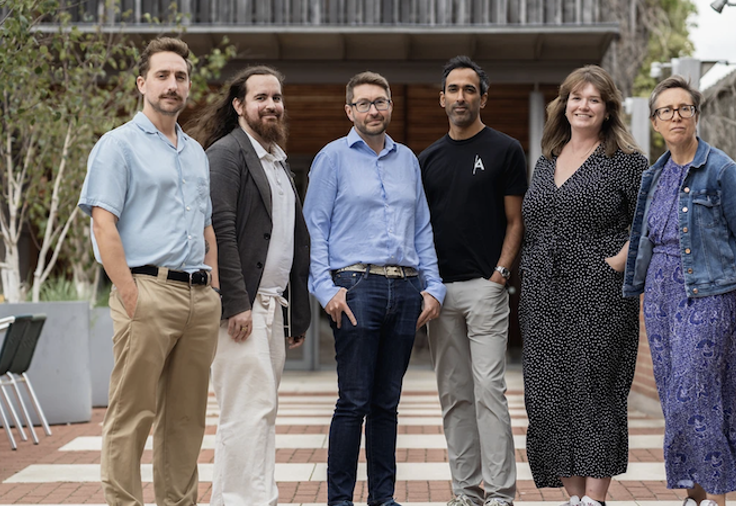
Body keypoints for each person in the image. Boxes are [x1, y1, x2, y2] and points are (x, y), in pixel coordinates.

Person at [77, 37, 221, 506]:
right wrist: (131, 294)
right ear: (142, 83)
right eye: (162, 75)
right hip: (147, 291)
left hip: (198, 299)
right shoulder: (117, 145)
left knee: (186, 419)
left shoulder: (196, 153)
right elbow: (104, 223)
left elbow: (206, 228)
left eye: (180, 76)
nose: (172, 84)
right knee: (131, 414)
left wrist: (213, 285)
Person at [303, 71, 446, 506]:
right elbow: (315, 228)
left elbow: (421, 227)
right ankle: (340, 500)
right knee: (354, 401)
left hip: (404, 290)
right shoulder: (332, 157)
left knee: (387, 403)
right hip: (356, 287)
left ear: (390, 107)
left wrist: (434, 286)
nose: (373, 110)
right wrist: (326, 289)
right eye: (363, 103)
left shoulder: (408, 161)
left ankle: (382, 498)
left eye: (380, 102)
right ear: (349, 111)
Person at [622, 76, 736, 506]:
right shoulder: (654, 176)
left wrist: (729, 304)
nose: (676, 116)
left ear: (696, 116)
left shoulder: (721, 170)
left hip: (708, 295)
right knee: (674, 397)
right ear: (655, 122)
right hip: (660, 297)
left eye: (684, 108)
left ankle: (715, 498)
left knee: (695, 391)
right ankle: (696, 495)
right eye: (667, 110)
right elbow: (645, 237)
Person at [519, 65, 647, 506]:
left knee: (594, 391)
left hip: (599, 295)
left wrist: (617, 261)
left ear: (608, 108)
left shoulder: (626, 162)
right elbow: (534, 224)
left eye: (594, 99)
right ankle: (573, 497)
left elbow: (646, 222)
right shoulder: (546, 160)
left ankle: (594, 498)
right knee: (548, 392)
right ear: (564, 104)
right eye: (577, 97)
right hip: (543, 295)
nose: (584, 105)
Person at [185, 66, 311, 506]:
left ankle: (251, 496)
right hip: (243, 308)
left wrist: (296, 314)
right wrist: (234, 302)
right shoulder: (227, 154)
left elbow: (292, 239)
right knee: (246, 412)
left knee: (262, 412)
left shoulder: (276, 160)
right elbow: (218, 229)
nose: (271, 105)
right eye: (261, 98)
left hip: (273, 307)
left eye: (276, 97)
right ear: (239, 105)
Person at [419, 56, 525, 506]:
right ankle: (466, 492)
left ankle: (500, 494)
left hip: (485, 289)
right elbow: (420, 229)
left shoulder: (505, 149)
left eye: (469, 89)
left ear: (483, 96)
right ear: (442, 98)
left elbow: (515, 220)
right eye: (453, 89)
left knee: (489, 393)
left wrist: (500, 274)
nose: (460, 97)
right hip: (440, 294)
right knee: (454, 396)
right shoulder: (426, 159)